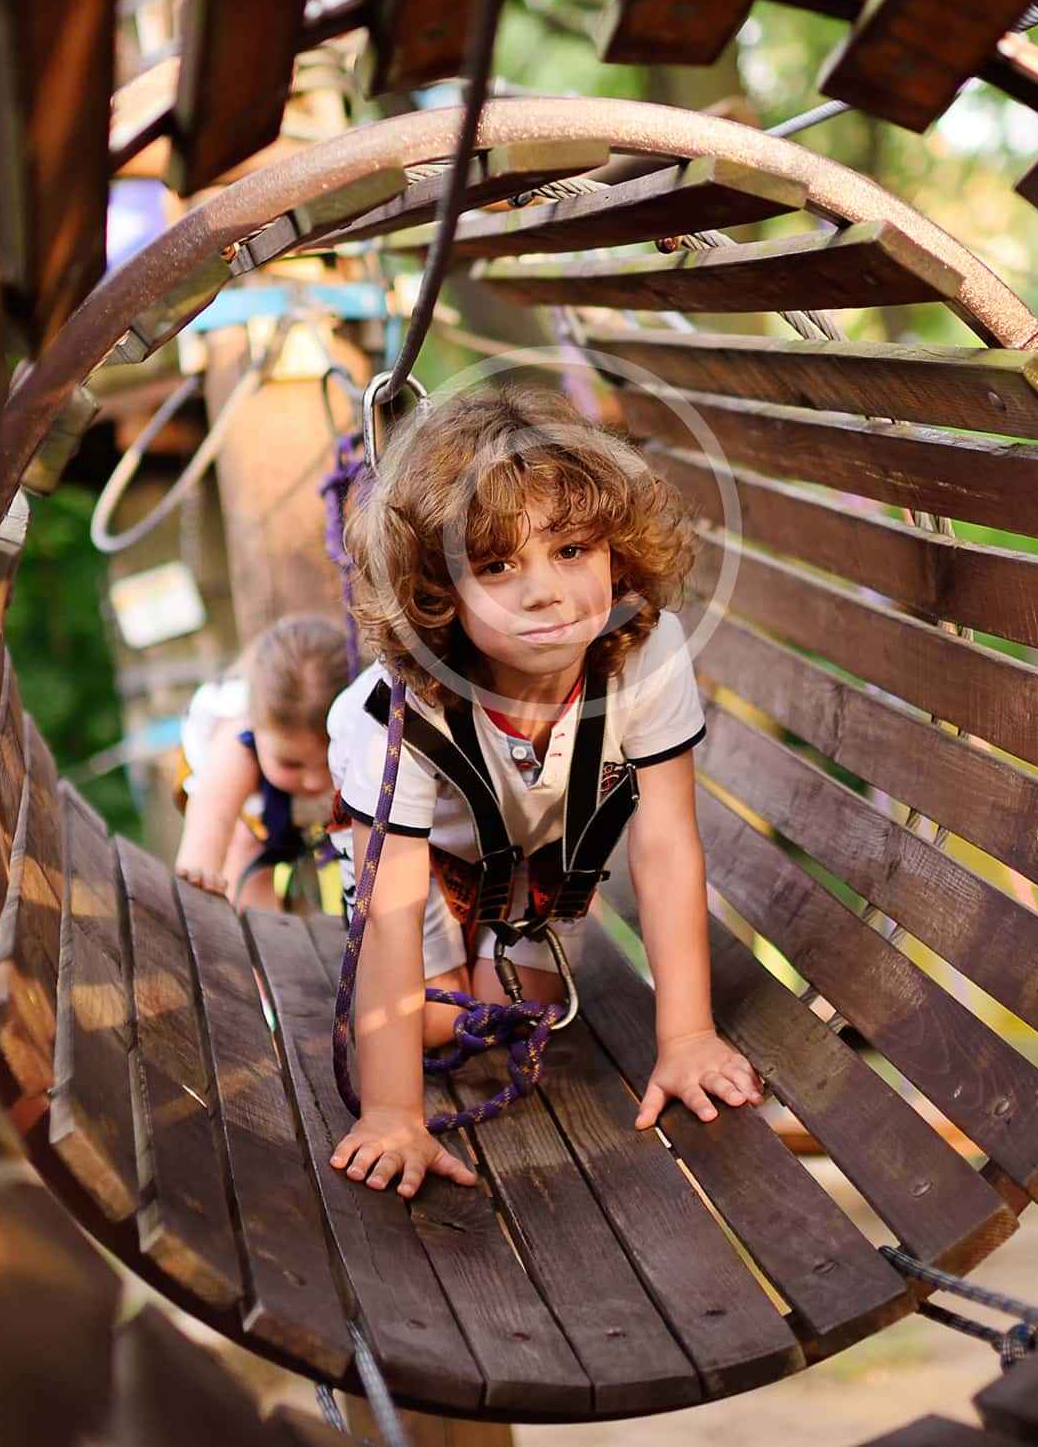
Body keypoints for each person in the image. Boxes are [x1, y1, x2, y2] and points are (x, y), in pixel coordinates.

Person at [325, 384, 763, 1200]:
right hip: (424, 861)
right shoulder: (397, 715)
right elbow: (390, 910)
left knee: (525, 1008)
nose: (543, 592)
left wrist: (687, 1036)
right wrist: (392, 1113)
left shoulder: (645, 652)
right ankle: (453, 973)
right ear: (439, 593)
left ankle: (486, 958)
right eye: (497, 566)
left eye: (570, 551)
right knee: (428, 1023)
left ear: (616, 554)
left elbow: (666, 844)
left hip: (539, 861)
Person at [173, 615, 352, 912]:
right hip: (251, 811)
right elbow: (212, 814)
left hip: (318, 825)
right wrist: (199, 870)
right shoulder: (238, 744)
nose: (314, 781)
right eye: (291, 764)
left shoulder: (364, 730)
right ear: (255, 726)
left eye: (328, 761)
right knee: (245, 848)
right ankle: (254, 930)